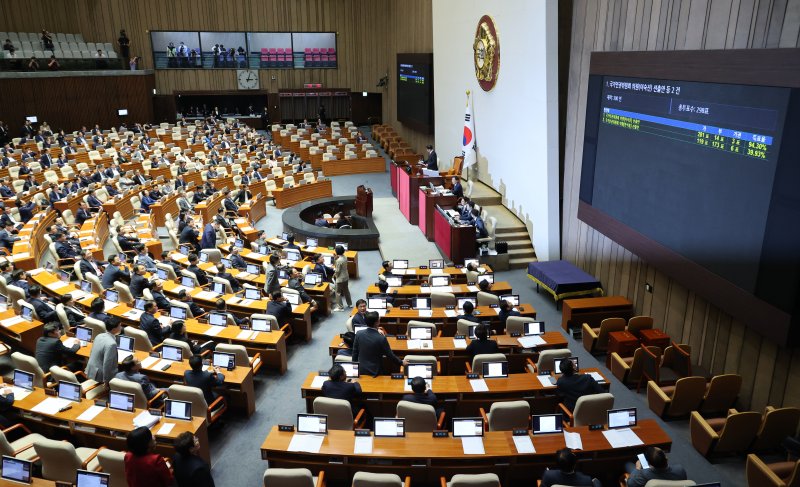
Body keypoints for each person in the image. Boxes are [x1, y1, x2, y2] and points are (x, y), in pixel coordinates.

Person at [351, 311, 407, 377]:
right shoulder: (381, 338)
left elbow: (355, 353)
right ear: (377, 322)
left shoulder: (358, 334)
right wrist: (401, 362)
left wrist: (354, 369)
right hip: (375, 372)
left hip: (361, 370)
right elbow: (390, 355)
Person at [85, 317, 122, 384]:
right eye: (120, 326)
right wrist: (106, 381)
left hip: (90, 370)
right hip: (100, 376)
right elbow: (107, 364)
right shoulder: (112, 344)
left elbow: (92, 352)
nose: (121, 327)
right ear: (114, 329)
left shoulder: (99, 335)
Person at [332, 245, 351, 312]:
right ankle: (350, 303)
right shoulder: (345, 257)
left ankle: (340, 307)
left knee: (338, 292)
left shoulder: (339, 260)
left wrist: (335, 276)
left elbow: (337, 271)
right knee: (346, 290)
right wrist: (335, 259)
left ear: (336, 252)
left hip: (340, 279)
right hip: (346, 276)